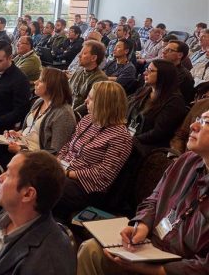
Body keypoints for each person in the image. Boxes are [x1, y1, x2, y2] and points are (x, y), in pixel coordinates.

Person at [77, 109, 209, 275]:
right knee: (91, 250)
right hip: (151, 248)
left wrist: (155, 270)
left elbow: (204, 267)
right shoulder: (186, 161)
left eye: (206, 122)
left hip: (178, 267)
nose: (193, 125)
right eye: (198, 119)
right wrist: (142, 224)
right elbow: (154, 199)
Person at [0, 151, 76, 275]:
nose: (0, 177)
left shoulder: (46, 263)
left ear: (27, 194)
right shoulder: (8, 216)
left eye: (8, 174)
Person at [53, 81, 132, 224]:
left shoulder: (121, 136)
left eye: (90, 98)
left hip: (86, 188)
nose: (85, 101)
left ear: (103, 103)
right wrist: (57, 161)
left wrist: (68, 173)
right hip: (65, 172)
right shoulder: (88, 120)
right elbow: (68, 146)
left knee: (44, 185)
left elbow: (104, 174)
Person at [5, 67, 76, 155]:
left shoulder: (64, 114)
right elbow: (31, 129)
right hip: (24, 147)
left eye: (41, 80)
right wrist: (18, 134)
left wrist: (21, 151)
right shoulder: (39, 101)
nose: (35, 82)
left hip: (38, 160)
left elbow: (56, 151)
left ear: (52, 86)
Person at [127, 59, 187, 155]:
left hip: (146, 146)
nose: (145, 73)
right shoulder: (145, 90)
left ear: (164, 75)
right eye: (146, 69)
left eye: (150, 70)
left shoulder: (174, 102)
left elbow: (158, 133)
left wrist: (130, 139)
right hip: (129, 135)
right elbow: (127, 110)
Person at [69, 41, 108, 114]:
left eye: (84, 53)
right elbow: (67, 90)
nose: (79, 56)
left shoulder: (100, 79)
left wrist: (71, 114)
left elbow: (89, 104)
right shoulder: (78, 71)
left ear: (93, 58)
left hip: (81, 117)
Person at [161, 39, 195, 104]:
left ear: (180, 55)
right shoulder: (159, 67)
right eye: (164, 49)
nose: (164, 52)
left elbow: (169, 97)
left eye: (169, 50)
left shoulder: (184, 76)